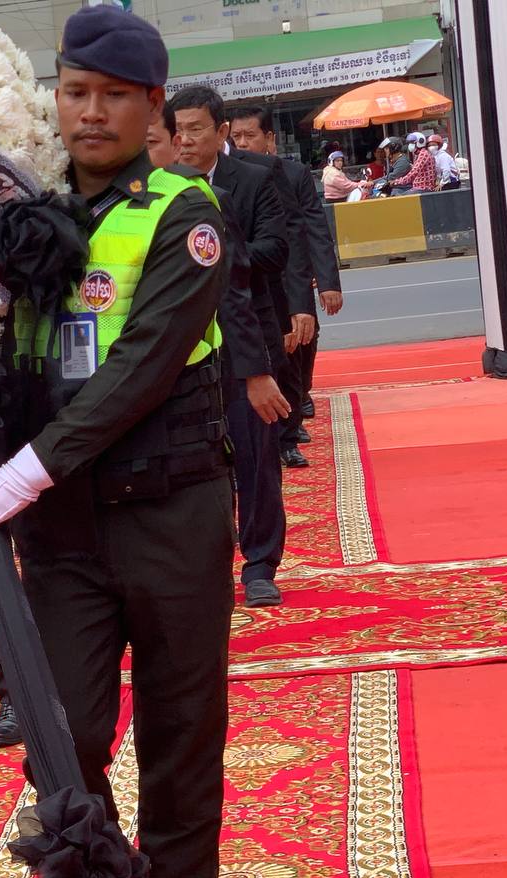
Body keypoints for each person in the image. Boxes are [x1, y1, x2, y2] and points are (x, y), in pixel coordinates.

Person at [0, 8, 234, 878]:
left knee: (180, 726)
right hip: (62, 527)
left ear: (153, 106)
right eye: (76, 93)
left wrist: (22, 471)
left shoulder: (184, 215)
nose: (92, 113)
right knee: (60, 730)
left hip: (171, 509)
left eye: (115, 96)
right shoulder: (20, 212)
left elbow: (144, 365)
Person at [168, 90, 292, 609]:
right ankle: (203, 565)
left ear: (221, 132)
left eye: (196, 128)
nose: (184, 139)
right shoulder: (160, 191)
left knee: (256, 456)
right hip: (184, 348)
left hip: (246, 336)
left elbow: (276, 251)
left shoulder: (254, 180)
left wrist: (216, 256)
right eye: (177, 130)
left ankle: (260, 563)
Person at [228, 104, 343, 426]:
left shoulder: (292, 174)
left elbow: (312, 228)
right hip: (253, 273)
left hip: (291, 271)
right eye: (236, 136)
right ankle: (285, 420)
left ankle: (300, 393)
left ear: (269, 138)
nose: (242, 143)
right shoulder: (226, 177)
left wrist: (327, 282)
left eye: (249, 135)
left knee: (303, 337)